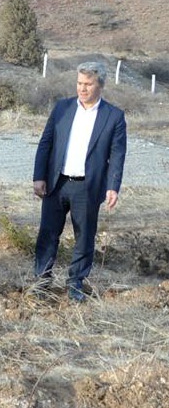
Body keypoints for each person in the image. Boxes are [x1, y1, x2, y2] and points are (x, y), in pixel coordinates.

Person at [31, 61, 127, 301]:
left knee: (84, 236)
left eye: (88, 84)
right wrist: (39, 176)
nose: (82, 89)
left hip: (88, 186)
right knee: (48, 233)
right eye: (79, 83)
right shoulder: (62, 108)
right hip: (56, 183)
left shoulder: (113, 116)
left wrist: (113, 187)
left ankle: (75, 282)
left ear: (100, 85)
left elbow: (117, 154)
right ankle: (42, 281)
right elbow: (46, 142)